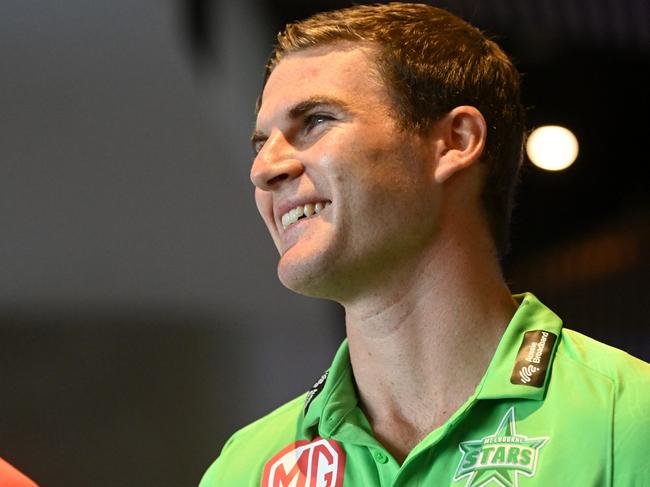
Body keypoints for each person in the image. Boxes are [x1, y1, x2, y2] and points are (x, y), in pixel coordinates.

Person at [199, 3, 650, 486]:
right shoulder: (242, 469)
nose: (264, 169)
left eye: (315, 121)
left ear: (455, 141)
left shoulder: (629, 418)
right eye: (260, 143)